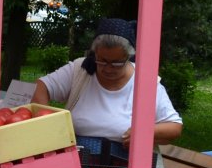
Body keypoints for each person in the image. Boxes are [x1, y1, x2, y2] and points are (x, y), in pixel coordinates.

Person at [32, 17, 183, 155]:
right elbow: (42, 86)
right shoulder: (81, 70)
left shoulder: (145, 81)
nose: (108, 68)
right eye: (102, 61)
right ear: (95, 53)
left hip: (124, 167)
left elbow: (174, 127)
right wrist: (47, 126)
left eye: (117, 63)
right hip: (75, 162)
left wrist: (145, 132)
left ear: (128, 57)